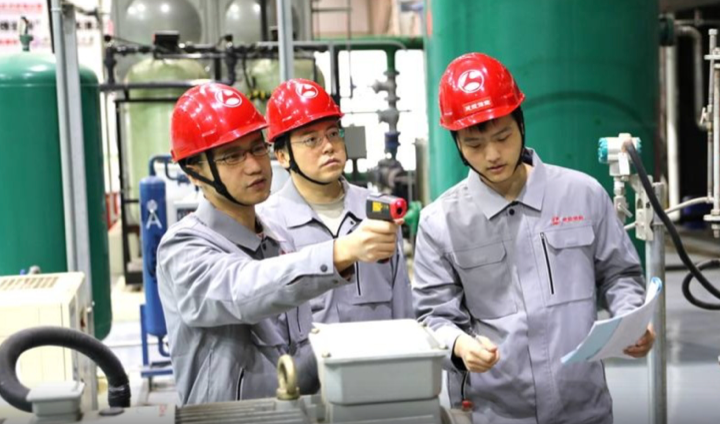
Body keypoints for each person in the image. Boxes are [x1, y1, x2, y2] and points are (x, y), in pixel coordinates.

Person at [412, 53, 655, 424]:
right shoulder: (440, 222)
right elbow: (433, 315)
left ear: (521, 124)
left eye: (503, 137)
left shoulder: (583, 194)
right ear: (456, 143)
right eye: (474, 145)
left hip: (584, 408)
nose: (493, 155)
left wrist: (629, 320)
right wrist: (459, 346)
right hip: (496, 414)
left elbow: (619, 274)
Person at [156, 83, 401, 405]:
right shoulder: (182, 246)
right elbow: (241, 289)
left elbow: (295, 360)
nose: (254, 166)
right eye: (232, 156)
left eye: (258, 149)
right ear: (193, 171)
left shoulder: (276, 242)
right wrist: (341, 251)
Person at [258, 78, 413, 323]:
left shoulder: (378, 211)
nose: (329, 146)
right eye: (311, 140)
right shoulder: (267, 225)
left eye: (333, 133)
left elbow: (403, 308)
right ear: (283, 156)